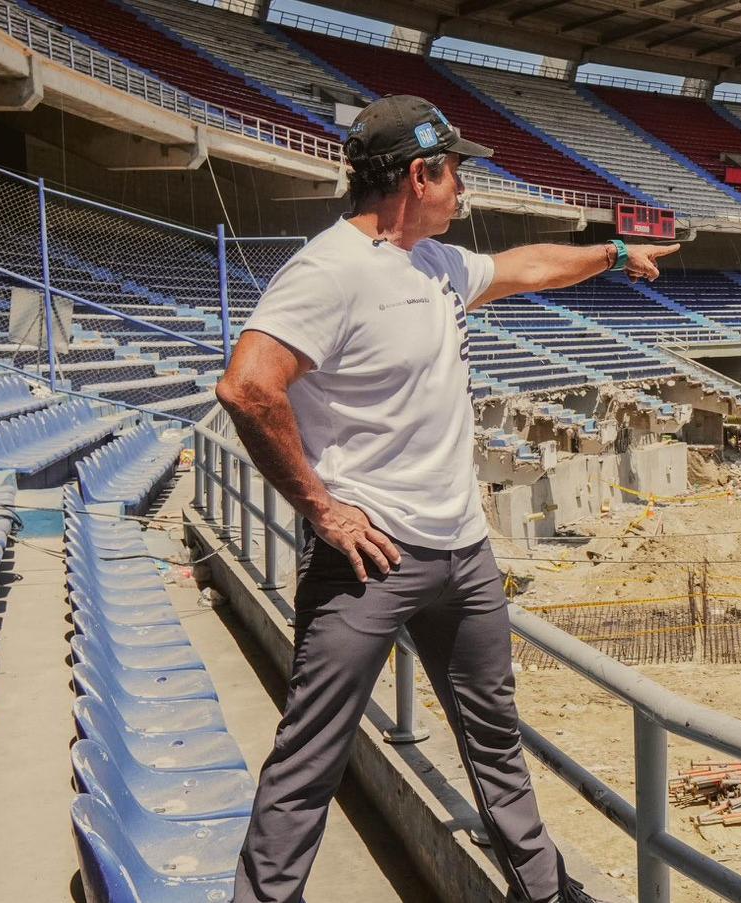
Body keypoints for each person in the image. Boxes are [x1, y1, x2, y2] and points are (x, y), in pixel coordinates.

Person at [216, 94, 680, 903]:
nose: (464, 187)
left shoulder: (433, 263)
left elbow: (525, 267)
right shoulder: (331, 269)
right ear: (419, 173)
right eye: (455, 171)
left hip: (463, 553)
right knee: (309, 757)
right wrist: (323, 508)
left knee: (494, 739)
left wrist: (609, 252)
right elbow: (248, 386)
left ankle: (543, 893)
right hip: (371, 561)